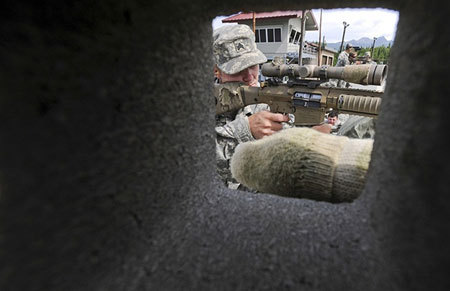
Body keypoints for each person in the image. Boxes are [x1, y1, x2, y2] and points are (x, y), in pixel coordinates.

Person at [213, 24, 289, 190]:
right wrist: (245, 130)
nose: (249, 76)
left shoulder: (268, 102)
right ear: (216, 71)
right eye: (238, 69)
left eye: (253, 65)